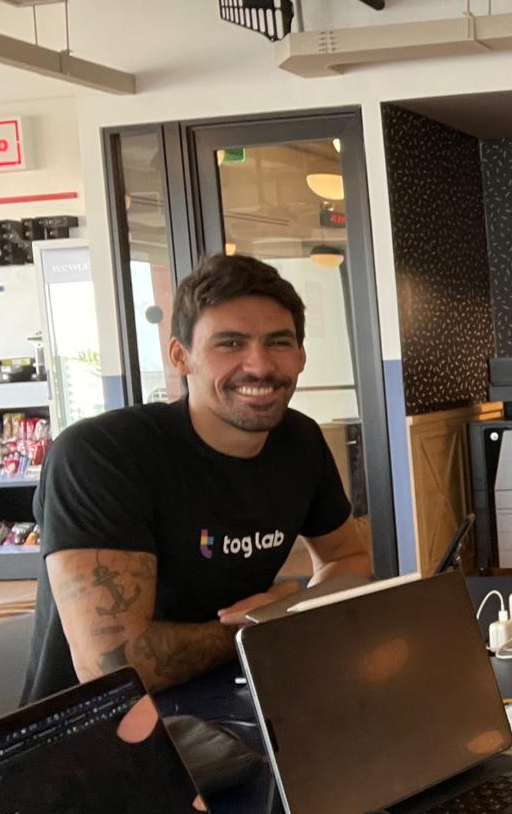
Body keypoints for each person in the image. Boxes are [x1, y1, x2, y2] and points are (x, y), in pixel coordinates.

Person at [21, 254, 373, 703]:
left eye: (278, 342)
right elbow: (111, 666)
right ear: (180, 356)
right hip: (95, 739)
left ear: (301, 356)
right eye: (230, 343)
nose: (260, 366)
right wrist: (265, 625)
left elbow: (348, 557)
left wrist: (292, 608)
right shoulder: (103, 455)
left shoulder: (299, 440)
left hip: (243, 699)